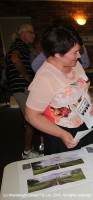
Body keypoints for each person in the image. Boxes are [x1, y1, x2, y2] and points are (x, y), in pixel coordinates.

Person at [25, 24, 93, 155]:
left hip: (85, 126)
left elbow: (83, 89)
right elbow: (31, 116)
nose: (79, 56)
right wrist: (61, 134)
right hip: (62, 135)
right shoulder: (45, 78)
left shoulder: (75, 65)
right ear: (57, 54)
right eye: (74, 53)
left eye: (79, 51)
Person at [5, 24, 41, 159]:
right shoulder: (18, 45)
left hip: (22, 87)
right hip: (21, 87)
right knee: (32, 119)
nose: (34, 36)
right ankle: (27, 152)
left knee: (33, 118)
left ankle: (33, 148)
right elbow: (15, 58)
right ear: (23, 34)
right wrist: (26, 76)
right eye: (31, 33)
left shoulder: (23, 47)